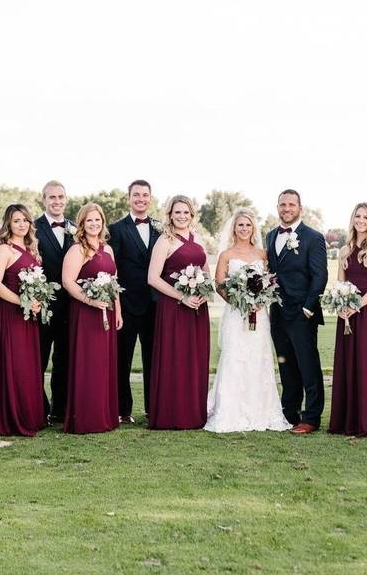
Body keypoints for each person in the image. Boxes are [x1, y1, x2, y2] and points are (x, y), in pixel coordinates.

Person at [205, 208, 290, 433]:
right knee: (235, 356)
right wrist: (237, 300)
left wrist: (261, 300)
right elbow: (219, 284)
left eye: (248, 225)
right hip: (236, 314)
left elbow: (270, 281)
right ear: (234, 227)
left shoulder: (263, 254)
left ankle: (260, 410)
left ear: (254, 228)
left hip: (259, 315)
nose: (244, 229)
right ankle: (229, 411)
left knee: (258, 357)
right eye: (240, 225)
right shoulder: (226, 255)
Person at [266, 189, 329, 434]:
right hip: (278, 312)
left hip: (302, 313)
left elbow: (320, 275)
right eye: (282, 204)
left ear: (300, 208)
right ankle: (289, 413)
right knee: (286, 365)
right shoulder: (271, 235)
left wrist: (307, 308)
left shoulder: (313, 237)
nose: (286, 208)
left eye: (291, 204)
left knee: (308, 365)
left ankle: (311, 417)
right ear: (277, 207)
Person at [146, 195, 211, 430]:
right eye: (177, 212)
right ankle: (172, 414)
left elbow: (206, 271)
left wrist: (205, 291)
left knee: (194, 358)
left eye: (186, 212)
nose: (182, 216)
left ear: (192, 215)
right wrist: (182, 297)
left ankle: (194, 413)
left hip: (197, 309)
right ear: (170, 215)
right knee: (175, 358)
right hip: (173, 309)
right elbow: (152, 278)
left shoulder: (199, 239)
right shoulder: (165, 240)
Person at [328, 202, 367, 437]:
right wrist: (342, 305)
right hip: (346, 313)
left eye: (365, 217)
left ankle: (365, 420)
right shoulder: (345, 250)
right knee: (347, 361)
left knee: (364, 362)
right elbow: (340, 282)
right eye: (357, 216)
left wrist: (356, 306)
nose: (360, 220)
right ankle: (346, 419)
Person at [61, 203, 122, 434]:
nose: (94, 224)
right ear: (82, 224)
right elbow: (68, 282)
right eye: (89, 221)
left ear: (103, 222)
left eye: (97, 220)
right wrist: (90, 301)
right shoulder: (77, 250)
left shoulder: (108, 250)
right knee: (89, 363)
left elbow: (114, 283)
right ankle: (87, 418)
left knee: (104, 364)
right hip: (86, 313)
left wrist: (119, 311)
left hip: (108, 313)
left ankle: (104, 414)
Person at [0, 204, 47, 437]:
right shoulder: (5, 249)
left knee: (29, 365)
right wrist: (21, 302)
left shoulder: (32, 249)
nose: (22, 224)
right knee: (16, 364)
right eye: (16, 221)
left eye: (25, 220)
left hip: (29, 316)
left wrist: (37, 300)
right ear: (8, 224)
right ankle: (12, 419)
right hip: (11, 314)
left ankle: (30, 416)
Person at [108, 180, 161, 423]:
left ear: (151, 198)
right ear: (129, 198)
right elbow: (112, 268)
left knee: (154, 358)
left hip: (155, 304)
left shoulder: (162, 228)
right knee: (123, 359)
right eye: (136, 195)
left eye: (145, 195)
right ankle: (123, 410)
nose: (141, 199)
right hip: (127, 304)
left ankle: (153, 408)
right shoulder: (116, 229)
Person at [35, 180, 75, 422]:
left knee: (64, 360)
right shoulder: (31, 228)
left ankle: (59, 410)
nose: (57, 201)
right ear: (44, 199)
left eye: (61, 197)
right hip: (42, 307)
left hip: (71, 307)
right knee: (37, 359)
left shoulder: (75, 228)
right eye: (52, 197)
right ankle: (39, 408)